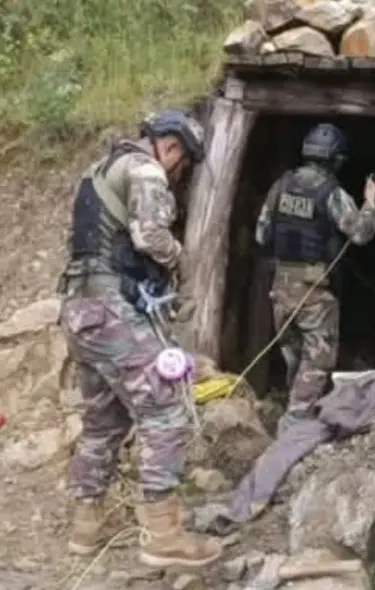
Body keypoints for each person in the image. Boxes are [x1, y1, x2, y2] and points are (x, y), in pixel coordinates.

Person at [57, 109, 224, 566]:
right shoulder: (147, 169)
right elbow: (149, 233)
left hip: (79, 310)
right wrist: (180, 258)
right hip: (111, 309)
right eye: (183, 165)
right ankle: (164, 533)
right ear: (171, 148)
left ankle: (85, 527)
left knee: (103, 422)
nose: (179, 172)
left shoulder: (97, 173)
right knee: (165, 406)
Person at [255, 123, 375, 426]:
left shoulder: (280, 186)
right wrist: (371, 202)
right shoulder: (331, 192)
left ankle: (296, 411)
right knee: (317, 362)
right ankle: (295, 425)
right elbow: (361, 233)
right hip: (313, 291)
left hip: (280, 288)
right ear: (335, 159)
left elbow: (262, 234)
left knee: (295, 360)